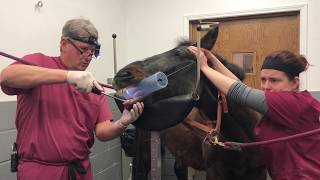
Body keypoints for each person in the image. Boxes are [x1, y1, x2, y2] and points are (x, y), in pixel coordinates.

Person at [0, 18, 144, 180]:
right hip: (39, 171)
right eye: (83, 49)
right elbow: (6, 77)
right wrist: (68, 76)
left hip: (78, 170)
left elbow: (102, 132)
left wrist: (122, 122)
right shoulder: (38, 63)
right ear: (63, 43)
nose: (88, 57)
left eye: (93, 52)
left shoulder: (92, 86)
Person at [188, 46, 320, 180]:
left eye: (274, 80)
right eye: (263, 79)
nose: (266, 86)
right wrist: (213, 60)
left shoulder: (293, 104)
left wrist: (204, 67)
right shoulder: (277, 106)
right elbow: (241, 88)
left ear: (294, 83)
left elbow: (241, 92)